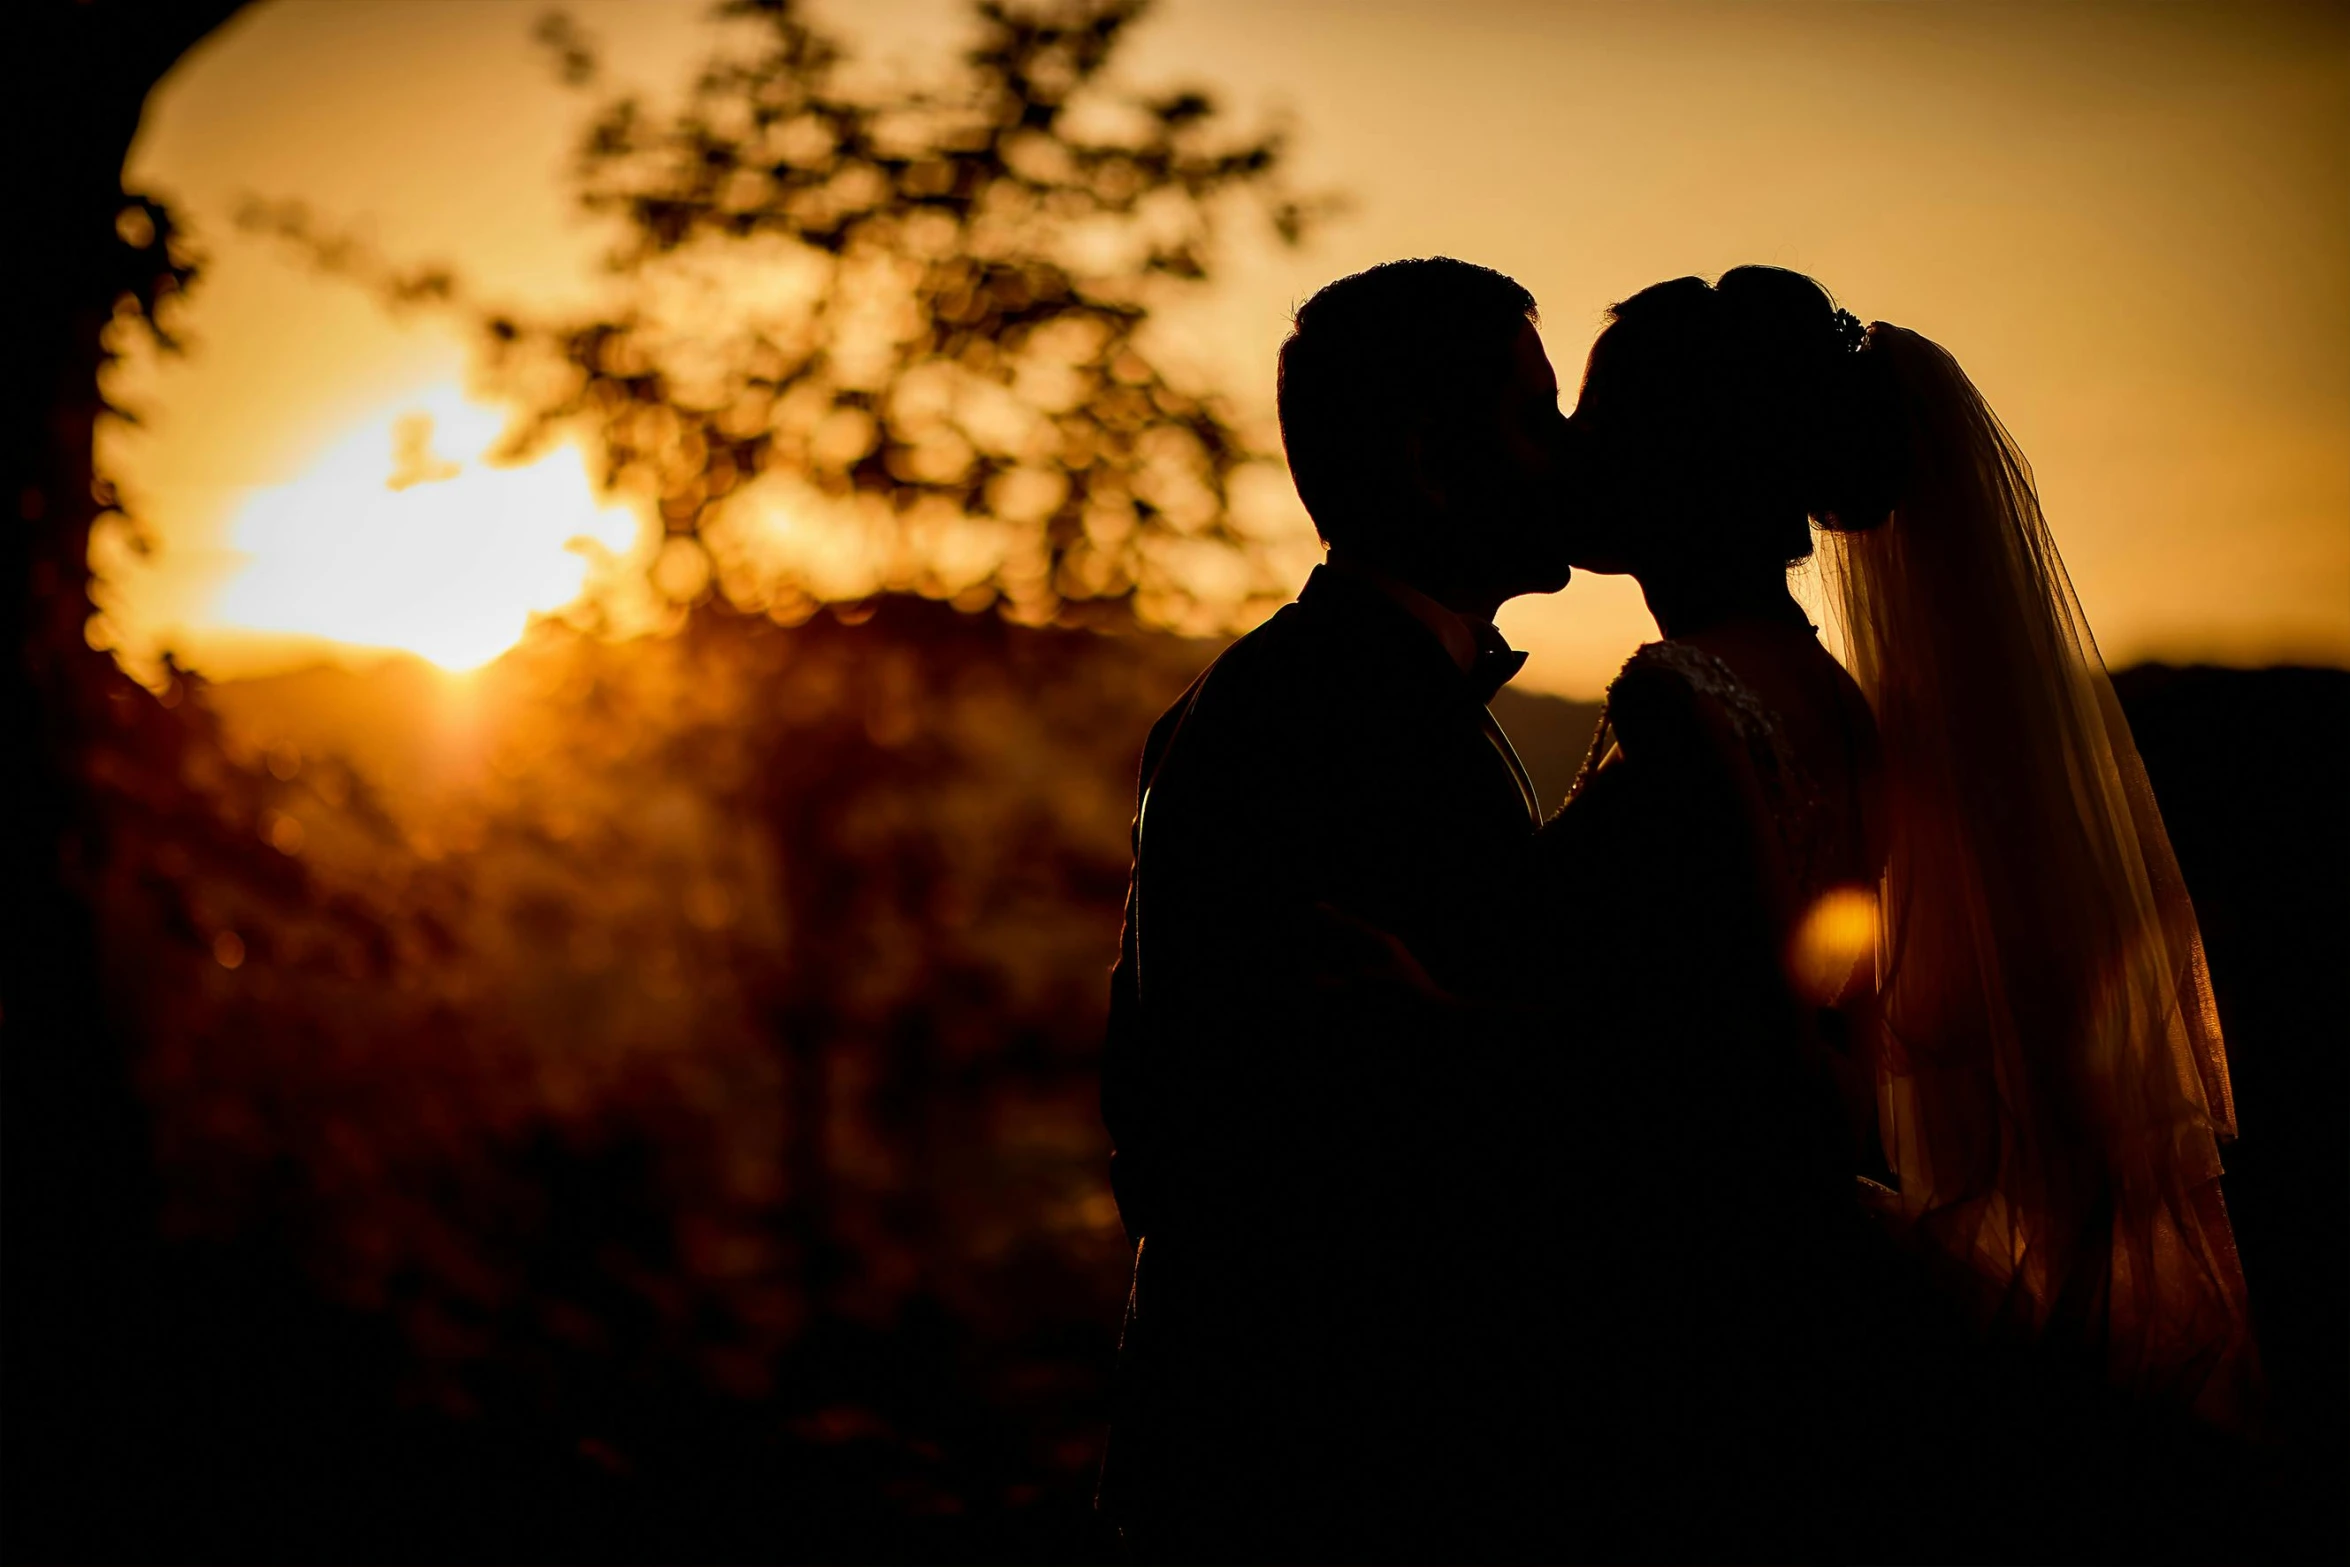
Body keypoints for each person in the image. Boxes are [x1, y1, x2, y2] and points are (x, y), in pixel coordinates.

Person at [1526, 265, 2260, 1556]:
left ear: (1677, 456)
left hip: (1712, 1263)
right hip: (1815, 1221)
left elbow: (1721, 1032)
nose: (1570, 449)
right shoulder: (1827, 694)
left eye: (1601, 414)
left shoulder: (1677, 694)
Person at [1095, 257, 1575, 1562]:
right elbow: (1299, 1130)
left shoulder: (1294, 693)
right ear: (1430, 459)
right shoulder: (1335, 717)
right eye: (1536, 413)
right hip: (1333, 1464)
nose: (1568, 451)